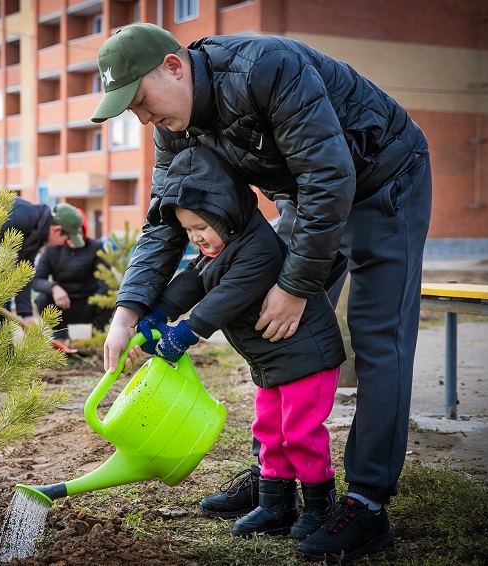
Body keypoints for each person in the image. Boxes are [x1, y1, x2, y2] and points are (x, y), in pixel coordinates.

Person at [94, 23, 432, 562]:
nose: (143, 119)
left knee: (378, 336)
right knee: (272, 328)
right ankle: (275, 479)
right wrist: (129, 309)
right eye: (130, 112)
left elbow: (330, 173)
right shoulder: (174, 124)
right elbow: (165, 219)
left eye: (140, 101)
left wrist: (295, 286)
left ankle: (367, 504)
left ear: (174, 67)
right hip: (308, 193)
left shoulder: (265, 68)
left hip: (381, 179)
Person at [144, 146, 345, 539]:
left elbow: (225, 298)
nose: (196, 237)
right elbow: (196, 278)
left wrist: (182, 335)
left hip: (308, 358)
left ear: (228, 212)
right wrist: (159, 311)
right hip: (273, 362)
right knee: (269, 429)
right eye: (188, 230)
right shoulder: (221, 246)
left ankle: (321, 506)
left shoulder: (258, 248)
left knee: (300, 434)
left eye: (202, 226)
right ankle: (276, 505)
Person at [0, 194, 85, 334]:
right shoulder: (23, 215)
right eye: (65, 240)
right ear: (57, 230)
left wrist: (27, 315)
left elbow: (23, 275)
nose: (63, 245)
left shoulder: (36, 236)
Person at [32, 209, 114, 345]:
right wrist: (53, 287)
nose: (72, 238)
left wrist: (99, 295)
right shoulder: (51, 250)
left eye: (78, 233)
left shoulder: (96, 247)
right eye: (69, 234)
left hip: (89, 303)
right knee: (42, 299)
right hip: (63, 303)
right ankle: (60, 336)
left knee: (108, 296)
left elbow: (106, 280)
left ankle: (97, 337)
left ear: (84, 231)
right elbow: (37, 280)